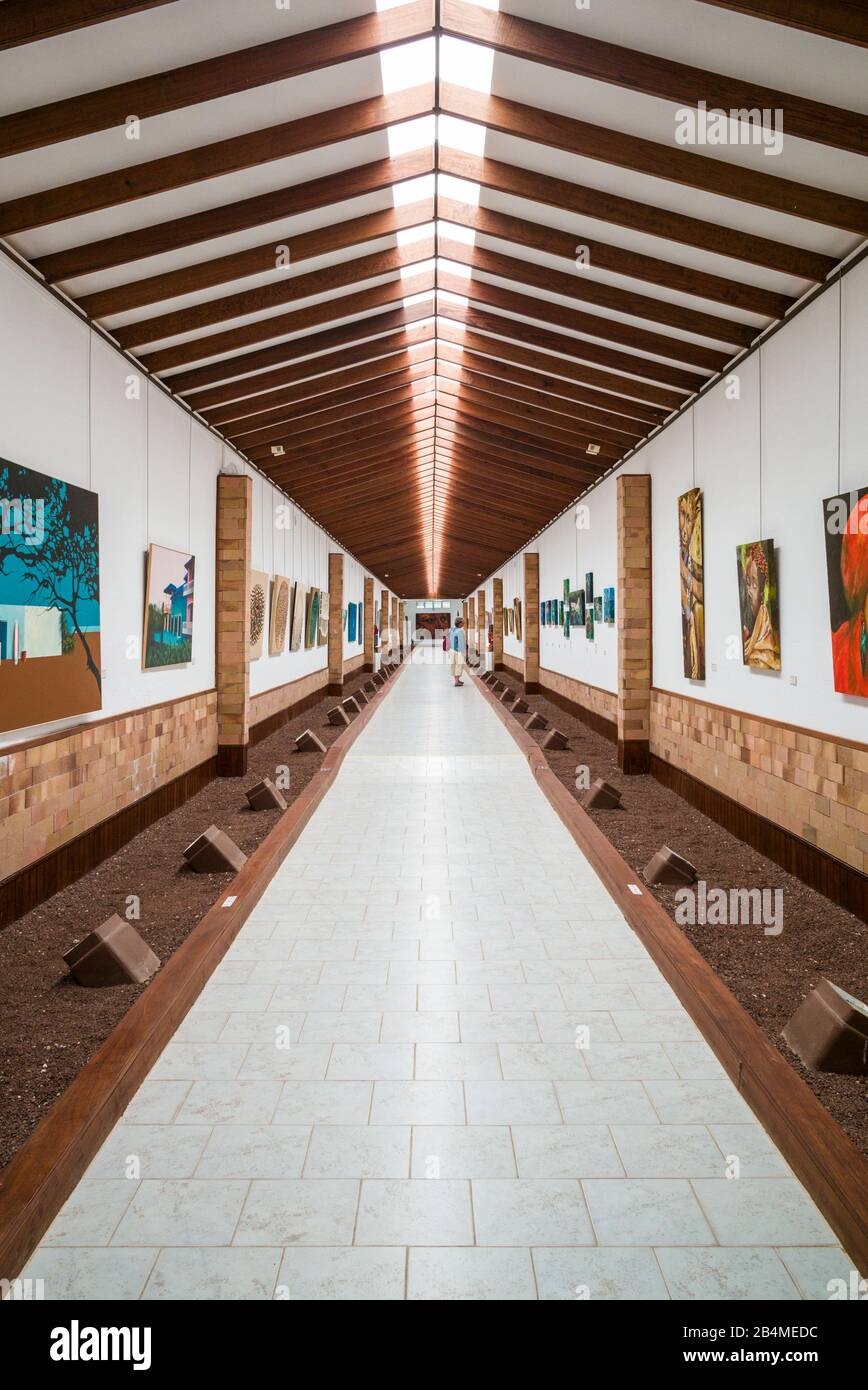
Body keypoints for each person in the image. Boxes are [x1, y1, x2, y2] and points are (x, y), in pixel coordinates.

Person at [447, 615, 467, 686]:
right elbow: (462, 643)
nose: (464, 623)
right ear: (460, 623)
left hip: (451, 650)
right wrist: (464, 653)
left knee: (453, 665)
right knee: (459, 665)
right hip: (458, 651)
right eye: (463, 622)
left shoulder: (450, 629)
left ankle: (457, 680)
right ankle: (456, 681)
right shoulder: (461, 631)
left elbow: (447, 640)